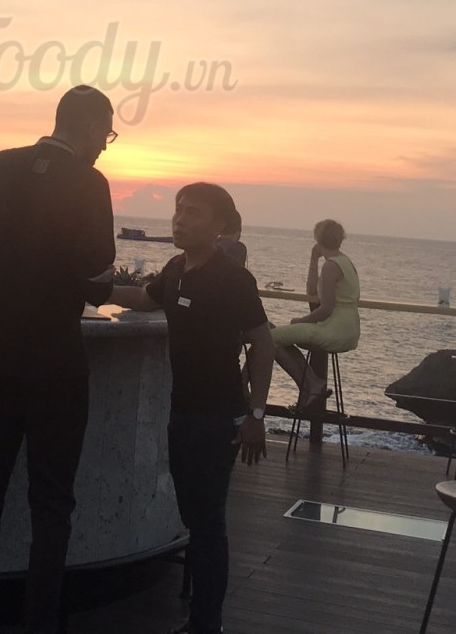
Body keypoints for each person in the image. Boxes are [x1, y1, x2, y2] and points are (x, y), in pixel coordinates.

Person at [0, 85, 119, 634]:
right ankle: (39, 622)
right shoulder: (89, 183)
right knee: (52, 503)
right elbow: (98, 271)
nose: (105, 147)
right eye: (107, 135)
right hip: (55, 362)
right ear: (90, 127)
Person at [108, 183, 273, 634]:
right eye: (179, 210)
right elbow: (146, 298)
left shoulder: (232, 278)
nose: (180, 219)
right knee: (193, 517)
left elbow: (262, 343)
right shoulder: (176, 268)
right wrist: (93, 287)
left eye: (194, 212)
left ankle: (206, 623)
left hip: (219, 418)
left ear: (220, 225)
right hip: (182, 412)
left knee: (208, 524)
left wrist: (257, 415)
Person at [270, 218, 360, 410]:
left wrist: (301, 321)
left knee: (268, 338)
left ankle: (309, 385)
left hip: (333, 330)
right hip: (348, 329)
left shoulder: (331, 266)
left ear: (318, 239)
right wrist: (313, 259)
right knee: (279, 338)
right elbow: (312, 291)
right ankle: (311, 384)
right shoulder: (344, 262)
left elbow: (326, 308)